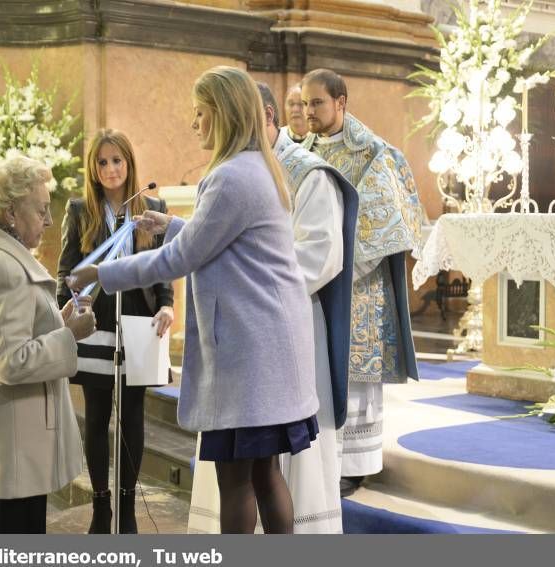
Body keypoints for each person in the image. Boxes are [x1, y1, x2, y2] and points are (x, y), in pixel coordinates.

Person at [68, 66, 319, 534]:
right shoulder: (259, 165)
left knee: (238, 480)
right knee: (265, 474)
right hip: (268, 342)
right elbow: (232, 244)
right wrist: (174, 226)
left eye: (200, 114)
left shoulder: (229, 177)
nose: (194, 124)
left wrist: (102, 271)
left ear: (222, 115)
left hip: (249, 351)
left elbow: (179, 260)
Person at [186, 82, 359, 534]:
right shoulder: (241, 166)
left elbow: (323, 254)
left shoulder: (307, 173)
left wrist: (253, 287)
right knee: (252, 469)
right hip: (244, 337)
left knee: (264, 469)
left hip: (284, 327)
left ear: (265, 115)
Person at [0, 155, 96, 534]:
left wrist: (55, 321)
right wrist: (69, 335)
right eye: (41, 209)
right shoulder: (2, 267)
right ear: (10, 212)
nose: (49, 220)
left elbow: (2, 338)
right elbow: (10, 362)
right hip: (10, 453)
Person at [300, 68, 424, 496]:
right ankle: (323, 458)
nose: (309, 111)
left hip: (358, 285)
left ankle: (356, 463)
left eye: (317, 102)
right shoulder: (302, 152)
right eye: (304, 103)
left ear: (341, 102)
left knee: (353, 375)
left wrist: (335, 266)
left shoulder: (372, 152)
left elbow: (387, 224)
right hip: (316, 284)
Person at [56, 129, 174, 534]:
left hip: (139, 322)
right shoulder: (80, 210)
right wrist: (65, 312)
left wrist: (167, 305)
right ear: (93, 168)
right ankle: (100, 504)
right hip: (95, 323)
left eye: (117, 161)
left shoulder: (152, 207)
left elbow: (165, 265)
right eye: (102, 162)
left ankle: (127, 505)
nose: (110, 169)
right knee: (96, 416)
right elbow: (65, 269)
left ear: (129, 163)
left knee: (134, 416)